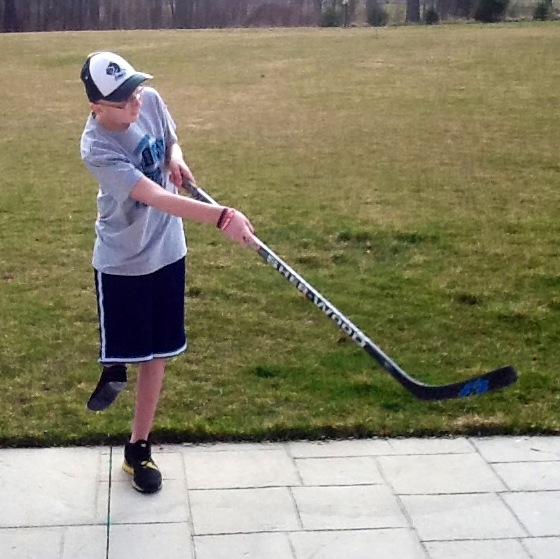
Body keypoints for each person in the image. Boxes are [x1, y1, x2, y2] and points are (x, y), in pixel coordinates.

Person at [79, 51, 256, 494]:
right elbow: (153, 196)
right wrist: (220, 217)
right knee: (126, 348)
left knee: (158, 353)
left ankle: (138, 446)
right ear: (96, 107)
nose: (136, 103)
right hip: (123, 259)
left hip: (167, 250)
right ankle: (113, 361)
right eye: (123, 100)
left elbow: (169, 137)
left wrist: (176, 156)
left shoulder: (150, 100)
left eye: (135, 91)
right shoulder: (97, 148)